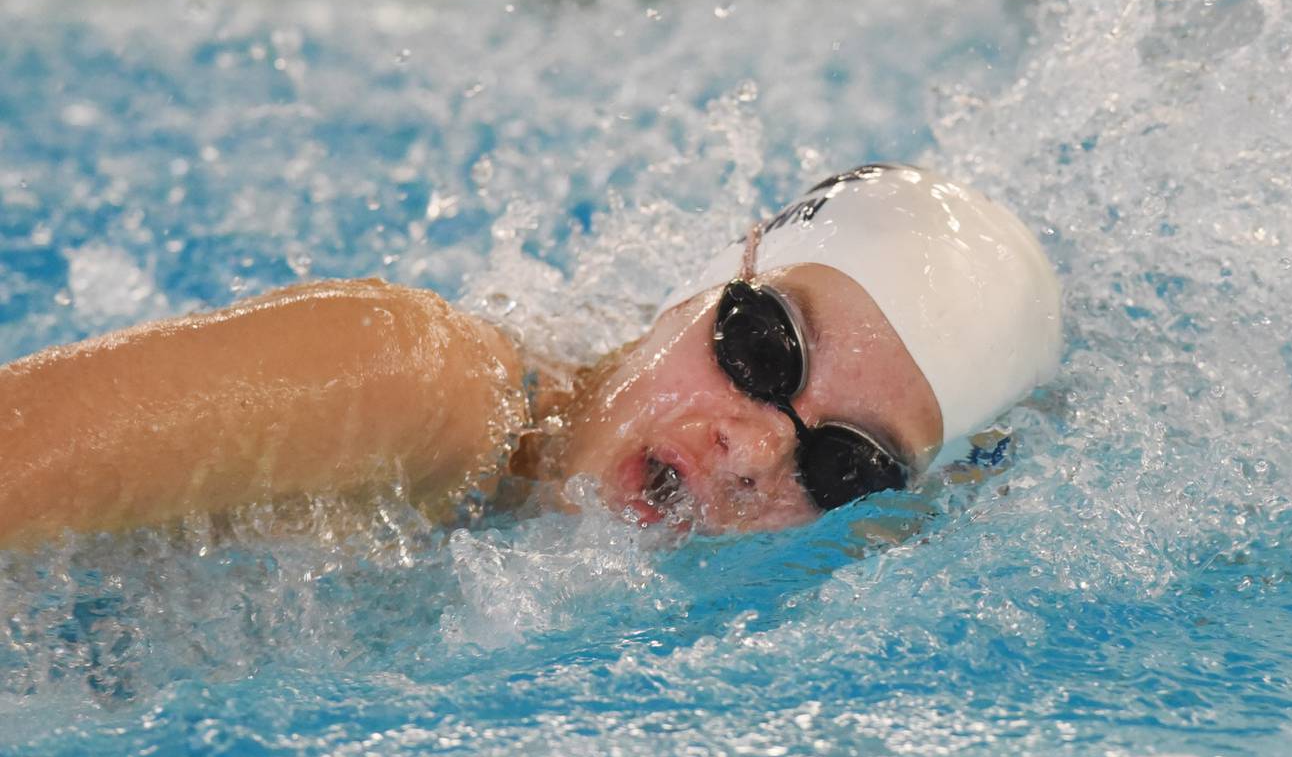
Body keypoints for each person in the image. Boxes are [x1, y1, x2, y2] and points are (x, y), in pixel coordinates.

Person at [0, 164, 1061, 549]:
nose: (748, 450)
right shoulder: (413, 381)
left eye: (844, 468)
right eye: (763, 350)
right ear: (705, 283)